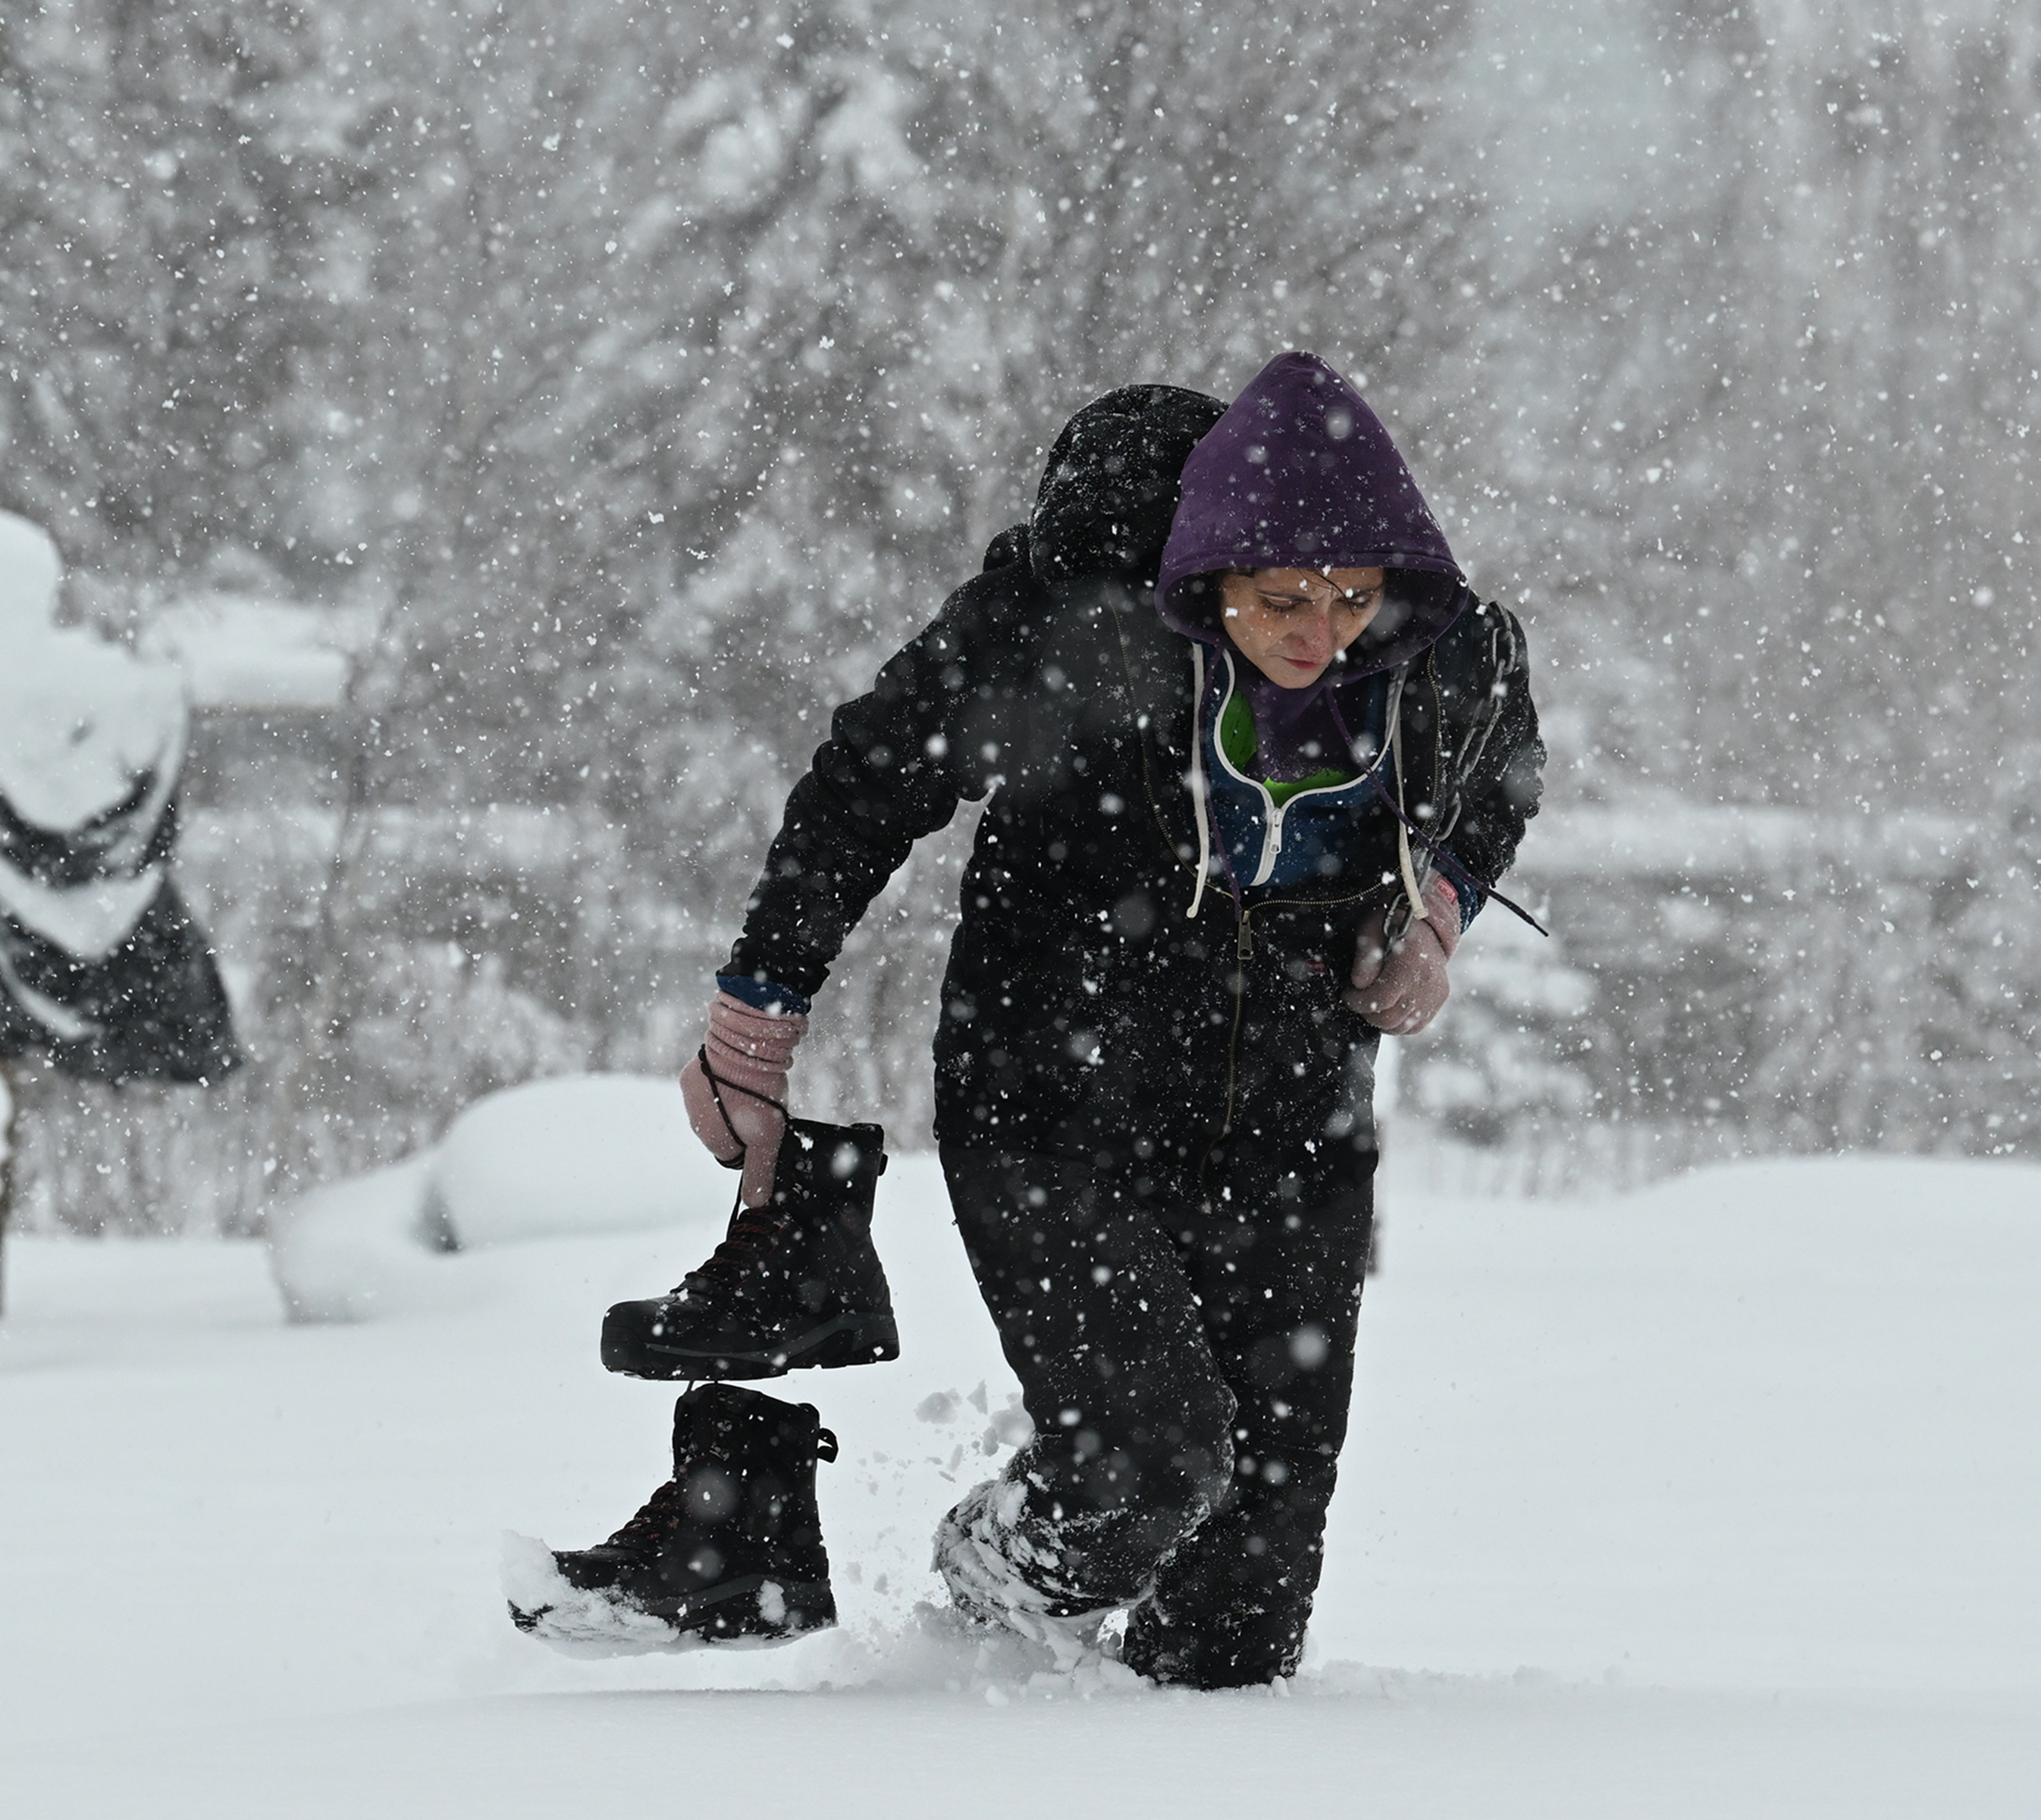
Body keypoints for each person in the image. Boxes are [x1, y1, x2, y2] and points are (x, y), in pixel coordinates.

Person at [511, 354, 1544, 1687]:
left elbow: (1501, 768)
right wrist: (756, 1015)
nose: (1317, 633)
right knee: (1154, 1465)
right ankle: (987, 1593)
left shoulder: (1438, 657)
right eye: (1278, 599)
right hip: (1056, 1100)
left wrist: (1439, 909)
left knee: (1245, 1607)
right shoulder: (1069, 634)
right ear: (1201, 576)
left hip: (1292, 1117)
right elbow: (863, 785)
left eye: (1348, 599)